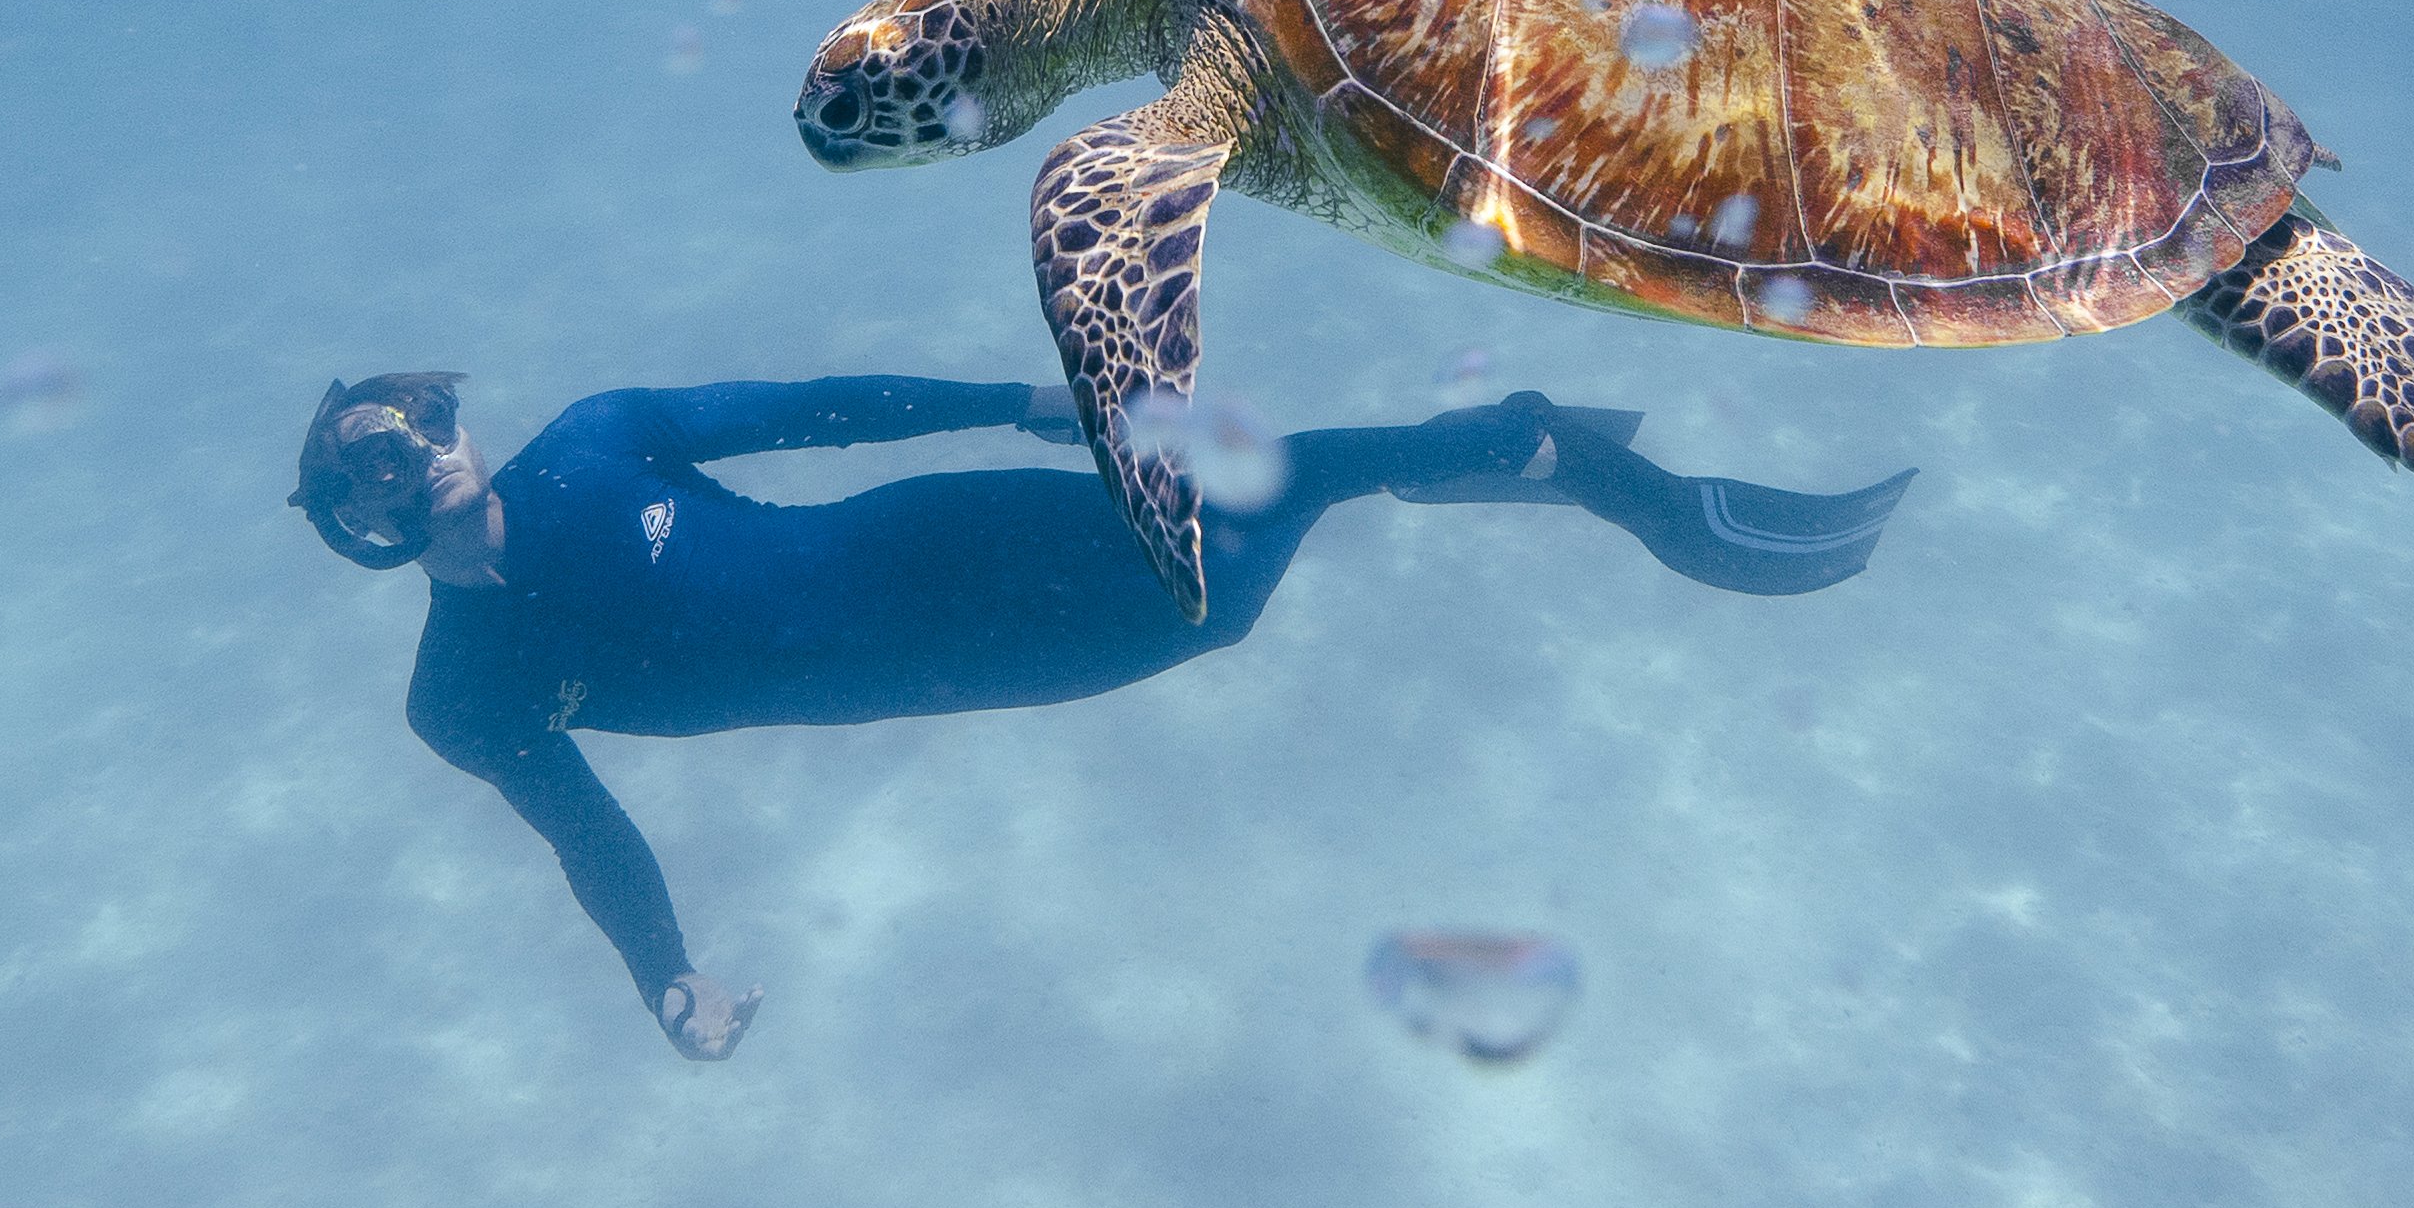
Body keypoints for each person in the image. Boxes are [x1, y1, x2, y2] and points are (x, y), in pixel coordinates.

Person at [294, 369, 1910, 1059]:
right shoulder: (468, 695)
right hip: (952, 655)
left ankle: (1567, 461)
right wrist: (669, 986)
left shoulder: (590, 444)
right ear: (359, 526)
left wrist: (1016, 400)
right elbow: (586, 833)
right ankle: (1499, 462)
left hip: (935, 531)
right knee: (1214, 604)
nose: (420, 451)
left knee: (1263, 487)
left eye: (420, 417)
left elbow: (815, 410)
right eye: (374, 460)